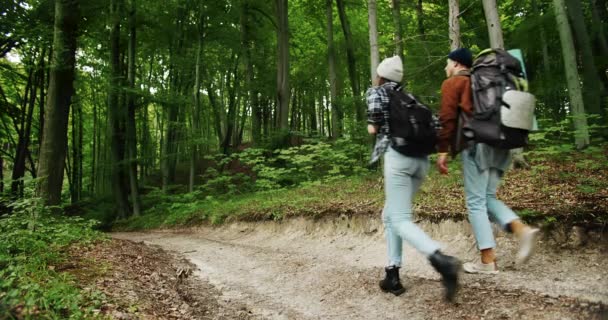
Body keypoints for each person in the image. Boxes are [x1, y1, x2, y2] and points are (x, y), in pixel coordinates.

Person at [436, 48, 539, 274]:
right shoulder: (486, 84)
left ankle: (488, 261)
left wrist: (443, 150)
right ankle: (520, 230)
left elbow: (447, 118)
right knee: (487, 197)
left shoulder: (455, 83)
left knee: (475, 202)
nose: (445, 68)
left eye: (447, 63)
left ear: (456, 63)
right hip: (501, 143)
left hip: (475, 144)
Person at [367, 55, 461, 301]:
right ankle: (392, 274)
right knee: (390, 215)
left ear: (381, 75)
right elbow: (435, 125)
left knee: (399, 219)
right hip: (421, 161)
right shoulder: (411, 98)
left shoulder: (377, 92)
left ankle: (442, 261)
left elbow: (373, 126)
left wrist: (374, 126)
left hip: (397, 157)